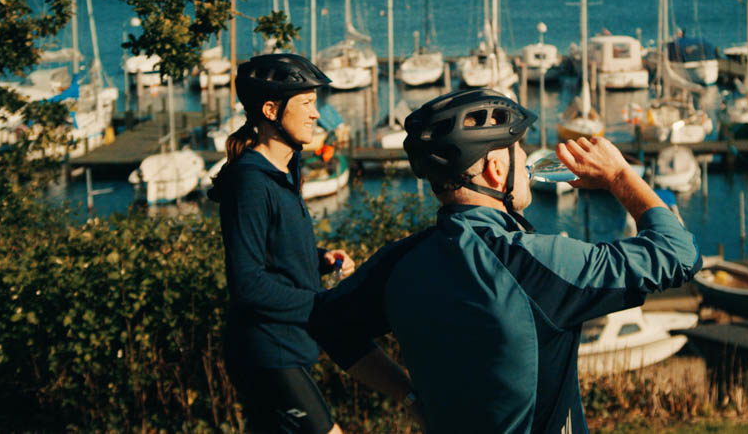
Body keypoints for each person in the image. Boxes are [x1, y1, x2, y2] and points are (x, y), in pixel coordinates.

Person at [309, 89, 700, 434]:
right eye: (520, 150)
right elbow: (679, 254)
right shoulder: (536, 265)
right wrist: (619, 175)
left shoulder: (399, 263)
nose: (528, 160)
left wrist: (410, 397)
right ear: (497, 169)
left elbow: (328, 323)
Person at [212, 53, 414, 434]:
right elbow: (247, 283)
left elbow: (273, 252)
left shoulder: (284, 171)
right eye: (305, 103)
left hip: (290, 347)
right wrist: (321, 304)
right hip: (267, 353)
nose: (316, 113)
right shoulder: (251, 183)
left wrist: (319, 259)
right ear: (271, 110)